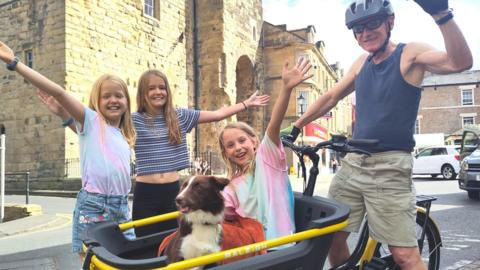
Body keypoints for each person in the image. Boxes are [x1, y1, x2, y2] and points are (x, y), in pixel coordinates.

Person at [285, 0, 472, 269]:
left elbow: (460, 62)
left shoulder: (410, 54)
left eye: (372, 23)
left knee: (404, 255)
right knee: (330, 236)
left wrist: (441, 15)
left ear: (390, 22)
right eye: (358, 29)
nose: (365, 33)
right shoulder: (361, 62)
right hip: (352, 165)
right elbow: (330, 96)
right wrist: (295, 127)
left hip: (389, 167)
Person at [0, 41, 137, 257]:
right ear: (96, 101)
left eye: (118, 96)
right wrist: (14, 62)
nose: (113, 100)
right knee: (93, 259)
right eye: (106, 96)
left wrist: (64, 117)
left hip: (121, 205)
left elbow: (92, 142)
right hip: (95, 205)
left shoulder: (123, 133)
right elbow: (59, 92)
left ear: (127, 101)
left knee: (127, 257)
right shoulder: (92, 120)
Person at [132, 70, 269, 245]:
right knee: (144, 244)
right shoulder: (134, 120)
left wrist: (245, 104)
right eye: (151, 88)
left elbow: (218, 115)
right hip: (146, 193)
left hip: (174, 192)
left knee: (173, 243)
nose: (158, 92)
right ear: (143, 92)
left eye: (162, 87)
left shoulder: (179, 116)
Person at [219, 58, 312, 242]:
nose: (237, 148)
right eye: (230, 145)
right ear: (225, 153)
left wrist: (286, 89)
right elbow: (223, 214)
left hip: (278, 248)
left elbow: (273, 125)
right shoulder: (232, 185)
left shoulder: (266, 160)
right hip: (249, 252)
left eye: (242, 141)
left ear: (254, 142)